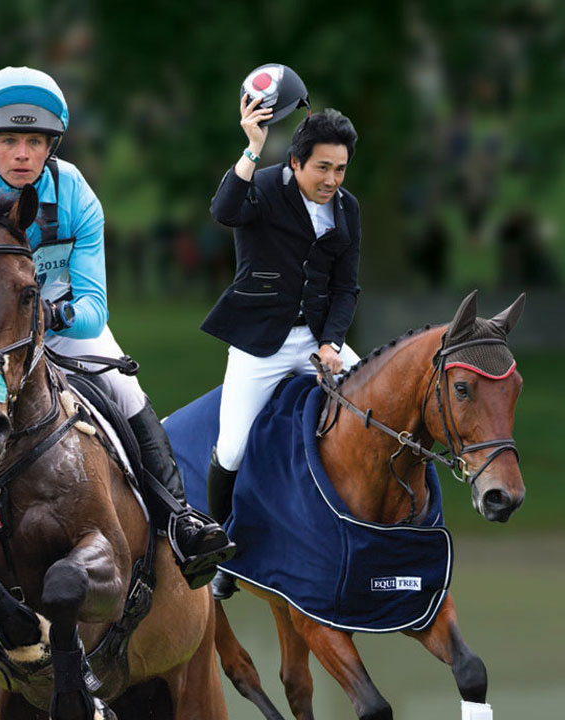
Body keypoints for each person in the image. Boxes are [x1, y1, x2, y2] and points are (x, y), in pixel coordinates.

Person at [0, 66, 236, 652]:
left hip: (65, 334)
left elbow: (94, 305)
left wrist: (45, 318)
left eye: (35, 143)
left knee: (129, 397)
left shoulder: (75, 194)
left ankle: (182, 523)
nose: (22, 154)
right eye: (9, 142)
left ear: (52, 146)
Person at [203, 67, 364, 596]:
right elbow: (224, 210)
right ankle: (220, 552)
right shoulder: (264, 189)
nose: (332, 180)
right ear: (295, 162)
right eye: (322, 168)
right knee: (231, 448)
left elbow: (346, 289)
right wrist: (251, 149)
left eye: (340, 169)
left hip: (319, 340)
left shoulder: (348, 210)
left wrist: (332, 345)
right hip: (260, 343)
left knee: (375, 411)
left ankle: (368, 531)